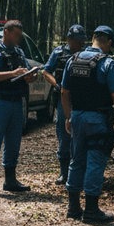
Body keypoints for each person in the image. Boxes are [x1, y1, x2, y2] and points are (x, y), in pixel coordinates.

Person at [61, 26, 114, 223]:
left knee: (76, 160)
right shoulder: (107, 63)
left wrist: (69, 117)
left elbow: (64, 92)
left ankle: (73, 207)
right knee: (95, 162)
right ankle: (91, 210)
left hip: (77, 117)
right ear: (109, 43)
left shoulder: (72, 60)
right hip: (97, 119)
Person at [0, 20, 38, 196]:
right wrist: (13, 74)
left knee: (14, 142)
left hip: (17, 102)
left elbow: (28, 71)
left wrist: (30, 77)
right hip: (0, 102)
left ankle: (10, 180)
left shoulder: (19, 53)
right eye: (16, 35)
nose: (18, 39)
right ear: (6, 32)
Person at [42, 24, 88, 185]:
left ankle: (80, 171)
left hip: (83, 98)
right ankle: (64, 173)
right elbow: (46, 72)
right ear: (69, 39)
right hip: (63, 98)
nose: (80, 44)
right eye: (77, 40)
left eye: (82, 40)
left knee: (83, 133)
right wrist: (56, 84)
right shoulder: (59, 52)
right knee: (64, 132)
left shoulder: (87, 53)